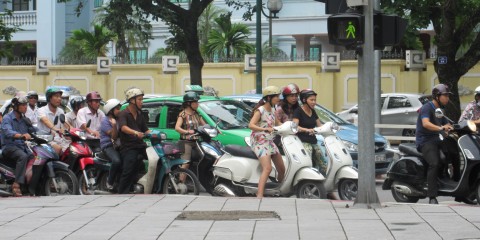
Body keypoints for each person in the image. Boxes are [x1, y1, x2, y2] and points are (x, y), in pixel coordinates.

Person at [416, 84, 460, 204]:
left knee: (455, 153)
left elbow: (448, 125)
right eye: (445, 96)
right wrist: (441, 127)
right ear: (437, 96)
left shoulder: (440, 111)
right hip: (425, 141)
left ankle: (458, 188)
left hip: (438, 139)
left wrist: (454, 127)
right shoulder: (427, 108)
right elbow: (426, 123)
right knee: (434, 163)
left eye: (448, 96)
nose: (447, 98)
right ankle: (432, 196)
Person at [248, 86, 285, 198]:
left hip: (269, 140)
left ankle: (278, 189)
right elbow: (251, 125)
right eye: (276, 96)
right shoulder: (260, 110)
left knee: (282, 169)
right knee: (268, 168)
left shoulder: (273, 110)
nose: (278, 98)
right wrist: (264, 129)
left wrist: (291, 127)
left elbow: (279, 124)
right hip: (259, 141)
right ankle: (259, 195)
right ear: (269, 97)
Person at [1, 96, 36, 197]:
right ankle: (17, 184)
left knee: (34, 157)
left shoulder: (24, 119)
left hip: (22, 146)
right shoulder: (7, 118)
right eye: (23, 105)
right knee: (23, 156)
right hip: (9, 147)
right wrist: (21, 135)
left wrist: (49, 134)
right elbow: (8, 132)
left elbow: (34, 131)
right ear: (16, 106)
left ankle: (28, 182)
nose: (25, 107)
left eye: (26, 105)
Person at [117, 88, 150, 194]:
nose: (142, 102)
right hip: (128, 147)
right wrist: (135, 133)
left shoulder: (140, 114)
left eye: (142, 99)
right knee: (128, 169)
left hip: (140, 145)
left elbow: (146, 129)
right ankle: (122, 192)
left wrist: (154, 134)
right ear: (132, 100)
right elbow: (123, 128)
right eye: (139, 99)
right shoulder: (123, 113)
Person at [293, 89, 327, 175]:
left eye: (315, 100)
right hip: (302, 141)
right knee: (308, 157)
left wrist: (330, 127)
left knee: (322, 162)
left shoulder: (313, 111)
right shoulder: (298, 111)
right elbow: (295, 126)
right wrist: (306, 130)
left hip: (313, 141)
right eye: (311, 100)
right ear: (304, 100)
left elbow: (320, 126)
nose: (314, 102)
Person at [175, 91, 206, 172]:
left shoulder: (197, 114)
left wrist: (214, 129)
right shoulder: (183, 114)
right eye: (195, 102)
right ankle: (180, 182)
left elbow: (204, 125)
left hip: (197, 142)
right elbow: (177, 128)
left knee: (206, 157)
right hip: (186, 142)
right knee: (186, 163)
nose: (197, 104)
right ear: (189, 103)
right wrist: (188, 132)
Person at [37, 87, 70, 155]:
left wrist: (75, 130)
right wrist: (56, 129)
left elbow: (66, 123)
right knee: (58, 149)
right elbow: (46, 121)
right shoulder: (41, 110)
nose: (59, 99)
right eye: (56, 96)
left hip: (58, 139)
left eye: (60, 97)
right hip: (45, 139)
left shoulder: (60, 111)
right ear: (49, 98)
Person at [100, 98, 122, 190]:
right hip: (108, 145)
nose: (119, 111)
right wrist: (113, 125)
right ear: (110, 110)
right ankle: (110, 182)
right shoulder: (105, 121)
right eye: (117, 109)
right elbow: (113, 136)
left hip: (118, 145)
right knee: (117, 161)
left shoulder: (119, 119)